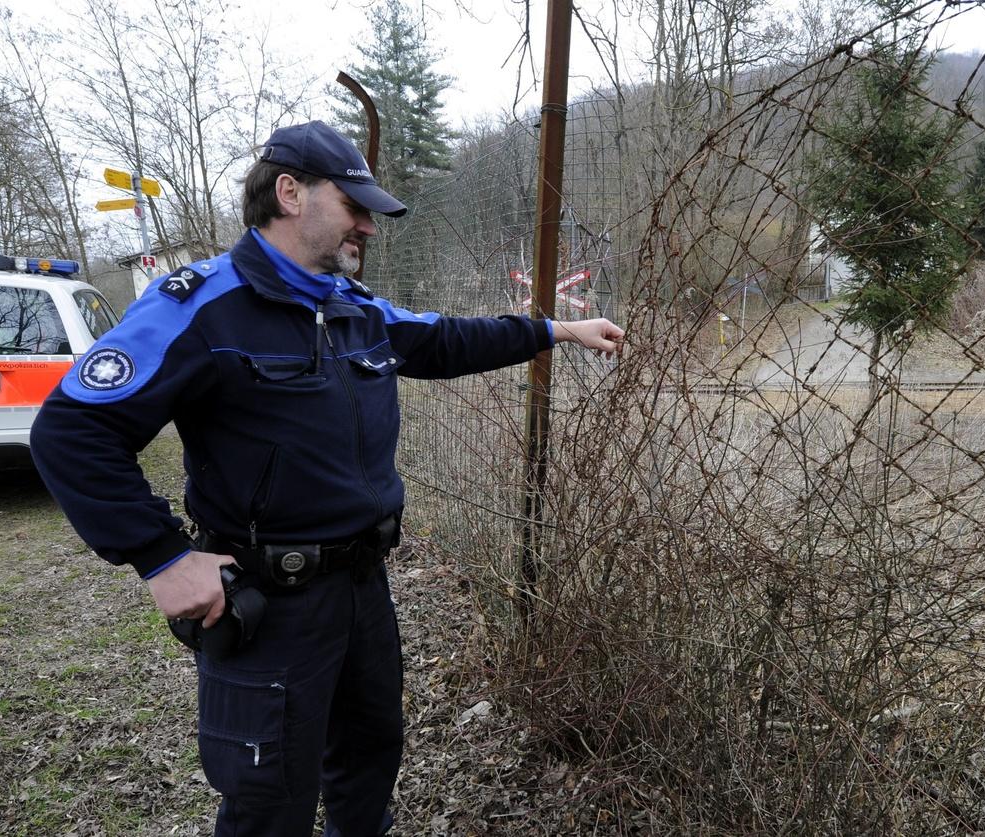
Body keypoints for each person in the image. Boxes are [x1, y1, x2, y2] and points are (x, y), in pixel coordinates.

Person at [30, 120, 624, 836]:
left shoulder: (349, 306)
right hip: (269, 605)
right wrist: (161, 556)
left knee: (369, 764)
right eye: (355, 205)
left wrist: (555, 331)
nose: (369, 226)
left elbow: (438, 340)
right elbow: (71, 430)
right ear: (290, 193)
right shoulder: (197, 306)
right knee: (268, 798)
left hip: (362, 588)